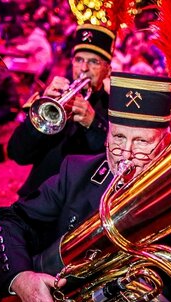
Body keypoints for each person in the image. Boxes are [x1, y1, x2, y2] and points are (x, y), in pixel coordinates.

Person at [0, 72, 171, 302]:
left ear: (165, 143)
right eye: (118, 138)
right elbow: (8, 222)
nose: (125, 155)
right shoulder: (75, 171)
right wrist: (21, 278)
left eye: (141, 142)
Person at [7, 23, 114, 198]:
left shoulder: (113, 108)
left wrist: (93, 123)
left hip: (78, 205)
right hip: (37, 197)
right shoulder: (50, 97)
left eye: (94, 62)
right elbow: (17, 154)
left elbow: (113, 164)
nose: (84, 68)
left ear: (107, 70)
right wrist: (45, 111)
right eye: (79, 60)